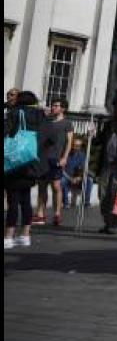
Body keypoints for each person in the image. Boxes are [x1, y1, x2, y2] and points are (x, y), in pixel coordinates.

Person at [5, 91, 47, 248]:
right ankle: (25, 234)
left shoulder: (15, 113)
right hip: (31, 161)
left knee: (13, 200)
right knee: (26, 200)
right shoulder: (40, 115)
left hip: (14, 161)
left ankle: (8, 236)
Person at [33, 97, 72, 226]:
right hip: (44, 158)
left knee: (56, 186)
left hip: (56, 158)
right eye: (52, 105)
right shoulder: (47, 121)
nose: (53, 107)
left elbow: (69, 142)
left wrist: (64, 157)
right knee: (42, 185)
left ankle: (57, 214)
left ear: (63, 108)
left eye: (56, 105)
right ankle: (40, 214)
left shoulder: (67, 123)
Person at [62, 137, 93, 209]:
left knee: (89, 180)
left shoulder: (82, 155)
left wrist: (80, 177)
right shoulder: (66, 154)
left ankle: (86, 202)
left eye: (79, 146)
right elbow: (62, 170)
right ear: (72, 145)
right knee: (62, 181)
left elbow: (84, 169)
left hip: (78, 177)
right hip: (68, 177)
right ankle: (66, 203)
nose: (77, 147)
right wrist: (70, 179)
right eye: (75, 145)